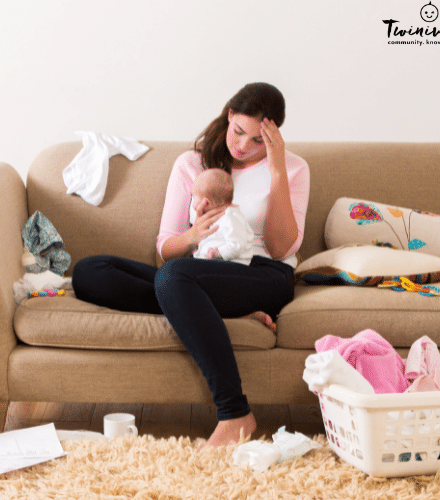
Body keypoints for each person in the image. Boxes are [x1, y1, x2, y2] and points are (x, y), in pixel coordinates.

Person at [72, 82, 310, 448]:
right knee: (91, 271)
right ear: (229, 116)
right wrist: (193, 235)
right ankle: (217, 310)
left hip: (264, 275)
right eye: (238, 132)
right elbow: (166, 249)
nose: (243, 146)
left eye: (257, 140)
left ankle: (235, 413)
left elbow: (280, 249)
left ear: (274, 136)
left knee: (173, 279)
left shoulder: (293, 169)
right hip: (199, 272)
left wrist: (276, 170)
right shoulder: (192, 164)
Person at [190, 168, 254, 264]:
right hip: (212, 263)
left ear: (207, 202)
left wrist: (218, 253)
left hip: (231, 265)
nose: (192, 201)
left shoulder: (230, 217)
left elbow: (238, 244)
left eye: (194, 197)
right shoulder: (213, 217)